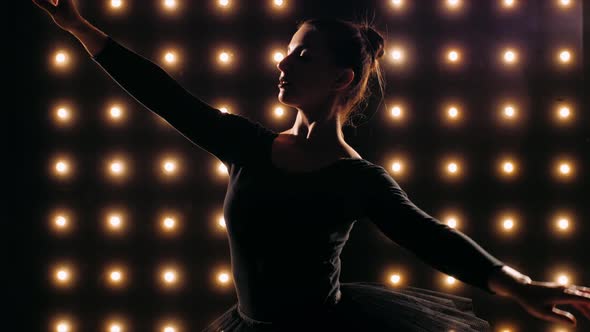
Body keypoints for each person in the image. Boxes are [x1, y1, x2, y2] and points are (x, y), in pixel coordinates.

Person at [33, 1, 590, 331]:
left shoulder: (357, 179)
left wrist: (520, 286)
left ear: (341, 79)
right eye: (288, 49)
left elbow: (432, 237)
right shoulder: (248, 146)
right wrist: (83, 30)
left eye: (302, 54)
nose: (283, 60)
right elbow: (166, 96)